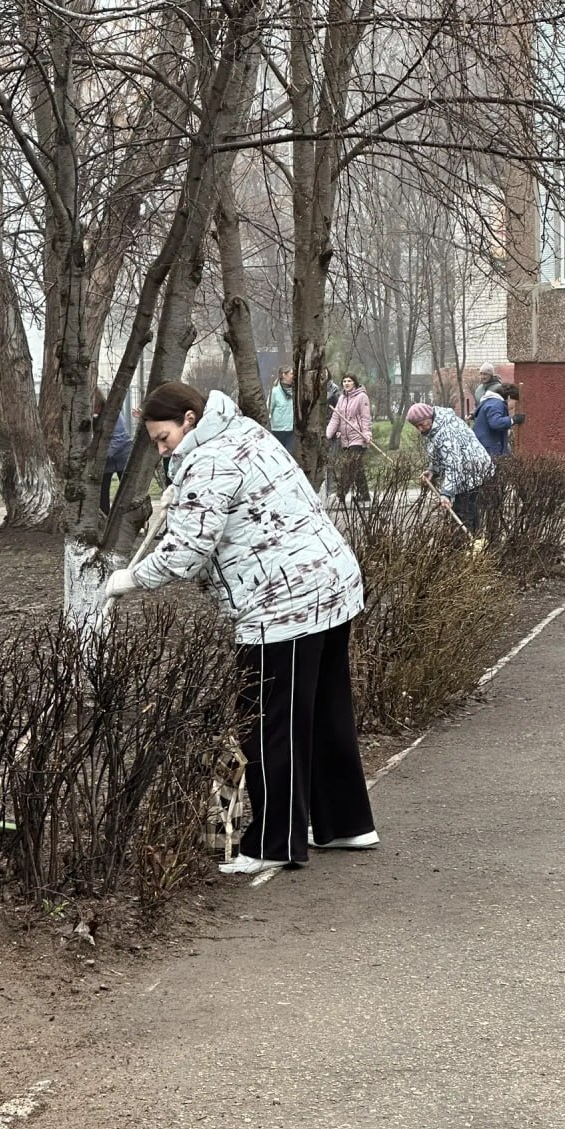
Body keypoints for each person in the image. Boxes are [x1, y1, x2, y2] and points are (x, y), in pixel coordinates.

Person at [104, 382, 378, 875]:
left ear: (189, 419)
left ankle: (272, 845)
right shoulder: (242, 429)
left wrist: (133, 578)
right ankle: (345, 822)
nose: (161, 448)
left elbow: (189, 551)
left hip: (284, 604)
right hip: (329, 584)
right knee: (322, 712)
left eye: (164, 438)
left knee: (269, 725)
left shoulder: (209, 461)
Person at [406, 401, 494, 533]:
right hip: (468, 470)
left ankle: (467, 546)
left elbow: (453, 464)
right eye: (416, 426)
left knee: (463, 512)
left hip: (472, 472)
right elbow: (442, 454)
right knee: (468, 510)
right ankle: (474, 540)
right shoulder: (437, 426)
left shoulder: (446, 432)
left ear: (429, 417)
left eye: (421, 424)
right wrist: (432, 470)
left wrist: (446, 493)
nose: (420, 429)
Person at [326, 373, 372, 503]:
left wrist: (367, 434)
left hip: (358, 437)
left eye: (349, 381)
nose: (346, 383)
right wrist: (328, 434)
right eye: (344, 381)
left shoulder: (362, 397)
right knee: (357, 468)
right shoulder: (341, 398)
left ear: (355, 383)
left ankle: (341, 494)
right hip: (345, 439)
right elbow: (336, 418)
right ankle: (364, 495)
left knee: (349, 466)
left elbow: (365, 417)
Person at [93, 389, 134, 516]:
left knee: (127, 490)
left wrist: (101, 455)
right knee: (102, 493)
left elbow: (119, 437)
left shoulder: (112, 413)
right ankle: (105, 519)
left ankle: (132, 518)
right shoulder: (91, 417)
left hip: (122, 454)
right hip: (106, 461)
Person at [473, 381, 526, 457]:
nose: (513, 408)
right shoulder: (496, 404)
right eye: (515, 403)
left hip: (485, 445)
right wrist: (513, 420)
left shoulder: (491, 402)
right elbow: (495, 423)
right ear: (509, 398)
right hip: (489, 448)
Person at [268, 367, 296, 454]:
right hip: (277, 430)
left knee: (289, 455)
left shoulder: (296, 392)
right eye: (291, 374)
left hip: (291, 430)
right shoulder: (275, 392)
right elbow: (269, 409)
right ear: (284, 375)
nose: (293, 376)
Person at [322, 368, 341, 498]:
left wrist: (338, 429)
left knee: (330, 461)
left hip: (331, 428)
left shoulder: (334, 389)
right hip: (317, 429)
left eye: (325, 372)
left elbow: (339, 412)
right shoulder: (312, 388)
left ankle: (330, 490)